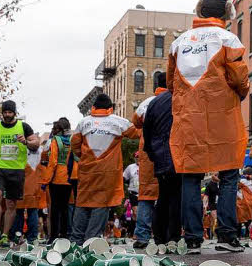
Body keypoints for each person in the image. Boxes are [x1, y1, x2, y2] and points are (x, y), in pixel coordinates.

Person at [166, 0, 249, 254]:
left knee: (190, 177)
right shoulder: (228, 39)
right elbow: (239, 79)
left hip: (188, 119)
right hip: (223, 117)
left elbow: (171, 83)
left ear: (200, 11)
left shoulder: (178, 43)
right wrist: (241, 92)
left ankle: (192, 239)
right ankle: (227, 235)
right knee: (228, 174)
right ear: (225, 12)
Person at [69, 92, 138, 242]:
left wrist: (84, 157)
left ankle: (76, 240)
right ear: (110, 108)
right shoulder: (118, 122)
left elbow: (74, 144)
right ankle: (92, 240)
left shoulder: (84, 123)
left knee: (83, 202)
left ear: (93, 107)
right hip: (108, 172)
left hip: (87, 171)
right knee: (101, 204)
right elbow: (136, 133)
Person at [0, 100, 39, 245]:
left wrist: (25, 141)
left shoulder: (23, 126)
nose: (7, 115)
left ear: (14, 113)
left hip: (16, 170)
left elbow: (36, 143)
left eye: (10, 112)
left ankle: (5, 235)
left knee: (11, 204)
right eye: (5, 112)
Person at [142, 74, 181, 245]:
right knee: (176, 197)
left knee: (164, 196)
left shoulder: (153, 102)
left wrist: (151, 152)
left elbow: (146, 130)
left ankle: (159, 237)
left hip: (159, 154)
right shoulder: (180, 97)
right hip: (177, 153)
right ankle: (172, 236)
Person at [132, 73, 168, 248]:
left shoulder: (146, 103)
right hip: (169, 152)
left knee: (146, 195)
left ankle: (142, 236)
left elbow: (135, 123)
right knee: (169, 195)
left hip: (148, 154)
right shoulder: (176, 99)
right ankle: (167, 236)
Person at [46, 118, 73, 242]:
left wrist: (47, 179)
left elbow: (53, 162)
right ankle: (65, 234)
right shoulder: (72, 140)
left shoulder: (55, 141)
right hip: (69, 178)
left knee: (55, 208)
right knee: (65, 208)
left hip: (57, 178)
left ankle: (54, 236)